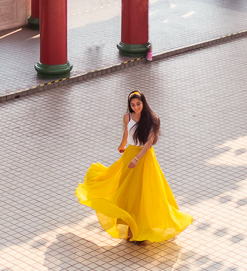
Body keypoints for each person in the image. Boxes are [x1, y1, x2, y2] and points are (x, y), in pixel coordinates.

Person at [75, 90, 193, 244]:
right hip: (129, 155)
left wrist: (137, 158)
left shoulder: (153, 119)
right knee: (127, 191)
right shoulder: (127, 117)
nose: (136, 107)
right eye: (133, 105)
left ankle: (141, 230)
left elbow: (149, 143)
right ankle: (131, 229)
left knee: (144, 193)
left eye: (138, 104)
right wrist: (122, 146)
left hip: (144, 158)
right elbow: (126, 133)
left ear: (143, 102)